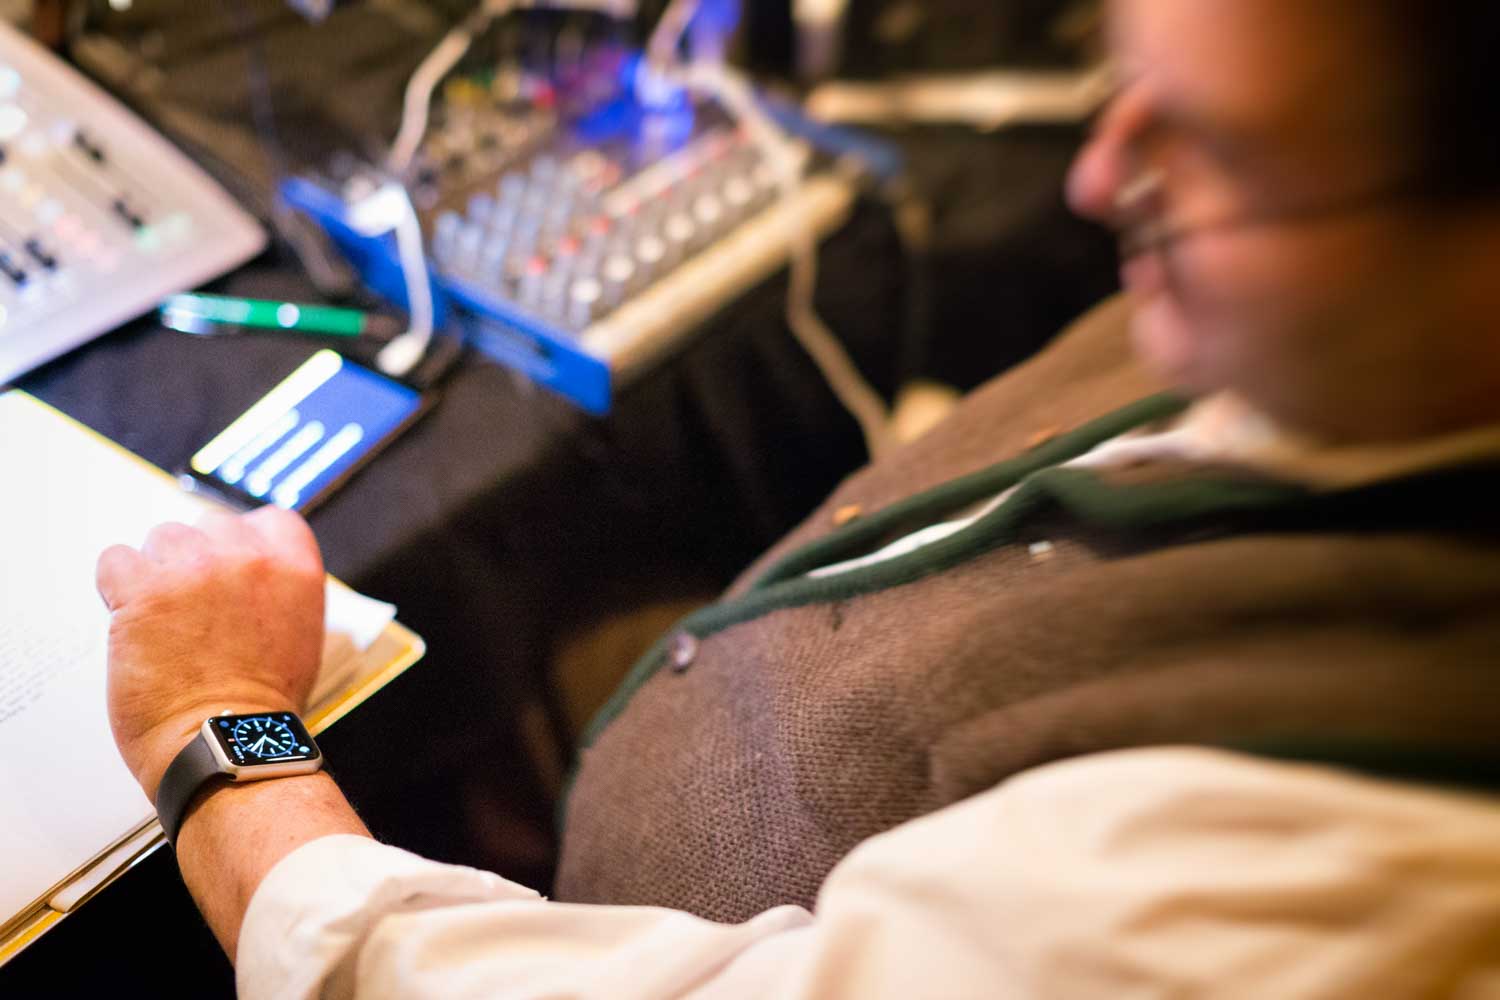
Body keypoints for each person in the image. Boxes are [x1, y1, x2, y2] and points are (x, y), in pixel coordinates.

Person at [97, 1, 1500, 995]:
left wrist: (221, 734)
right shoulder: (1384, 345)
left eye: (1221, 154)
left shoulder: (1320, 880)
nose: (1095, 176)